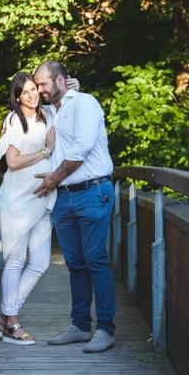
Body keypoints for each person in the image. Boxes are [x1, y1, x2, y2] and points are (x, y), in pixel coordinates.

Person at [32, 60, 117, 353]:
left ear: (59, 81)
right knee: (75, 264)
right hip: (63, 198)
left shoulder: (85, 103)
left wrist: (54, 178)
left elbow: (81, 149)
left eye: (42, 84)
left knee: (95, 260)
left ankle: (106, 330)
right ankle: (80, 326)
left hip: (92, 192)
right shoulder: (49, 112)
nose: (39, 90)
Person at [0, 71, 78, 345]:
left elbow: (69, 106)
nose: (31, 94)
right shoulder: (14, 120)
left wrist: (75, 87)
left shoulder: (48, 116)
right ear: (17, 97)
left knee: (40, 263)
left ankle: (5, 316)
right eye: (25, 91)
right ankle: (12, 322)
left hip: (43, 198)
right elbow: (13, 162)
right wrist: (45, 151)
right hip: (17, 199)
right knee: (16, 261)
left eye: (33, 89)